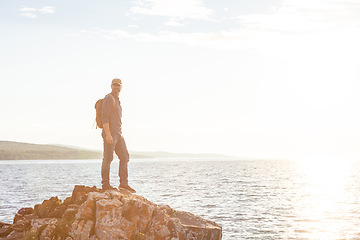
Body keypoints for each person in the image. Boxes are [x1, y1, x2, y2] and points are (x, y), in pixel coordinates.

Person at [100, 78, 136, 193]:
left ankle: (123, 184)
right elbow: (104, 117)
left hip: (119, 134)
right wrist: (108, 135)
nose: (116, 87)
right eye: (114, 85)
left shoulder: (117, 100)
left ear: (121, 87)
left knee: (125, 157)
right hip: (110, 134)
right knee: (108, 159)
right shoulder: (109, 98)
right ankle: (105, 185)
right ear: (111, 86)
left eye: (118, 85)